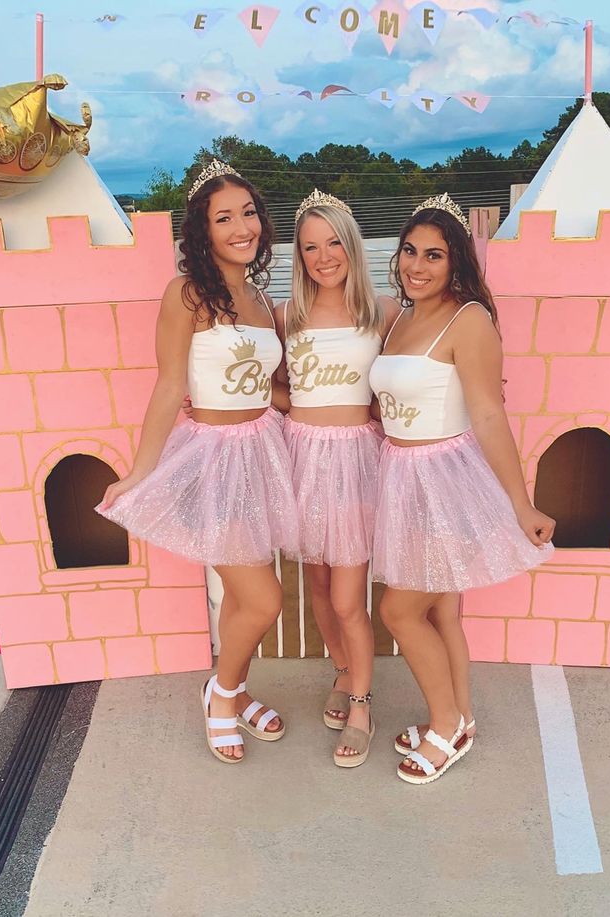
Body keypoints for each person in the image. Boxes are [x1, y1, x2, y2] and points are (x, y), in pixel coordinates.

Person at [97, 160, 299, 765]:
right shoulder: (187, 294)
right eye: (224, 217)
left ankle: (231, 689)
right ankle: (222, 695)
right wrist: (140, 471)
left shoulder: (262, 298)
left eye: (248, 213)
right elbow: (168, 387)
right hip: (213, 459)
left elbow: (268, 388)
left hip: (263, 452)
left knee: (244, 595)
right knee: (263, 600)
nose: (242, 227)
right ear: (202, 230)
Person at [368, 193, 556, 785]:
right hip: (397, 473)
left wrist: (520, 503)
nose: (416, 266)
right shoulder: (398, 316)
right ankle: (462, 716)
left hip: (441, 481)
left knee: (400, 611)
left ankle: (445, 726)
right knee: (443, 611)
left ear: (457, 264)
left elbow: (489, 414)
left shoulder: (468, 320)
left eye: (434, 255)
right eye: (408, 251)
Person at [277, 189, 398, 767]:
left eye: (332, 243)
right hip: (302, 458)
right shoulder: (287, 317)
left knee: (350, 599)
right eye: (309, 247)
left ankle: (363, 704)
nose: (322, 256)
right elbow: (275, 386)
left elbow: (404, 376)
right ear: (298, 256)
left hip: (354, 463)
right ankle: (344, 671)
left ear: (350, 245)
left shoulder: (383, 311)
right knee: (320, 588)